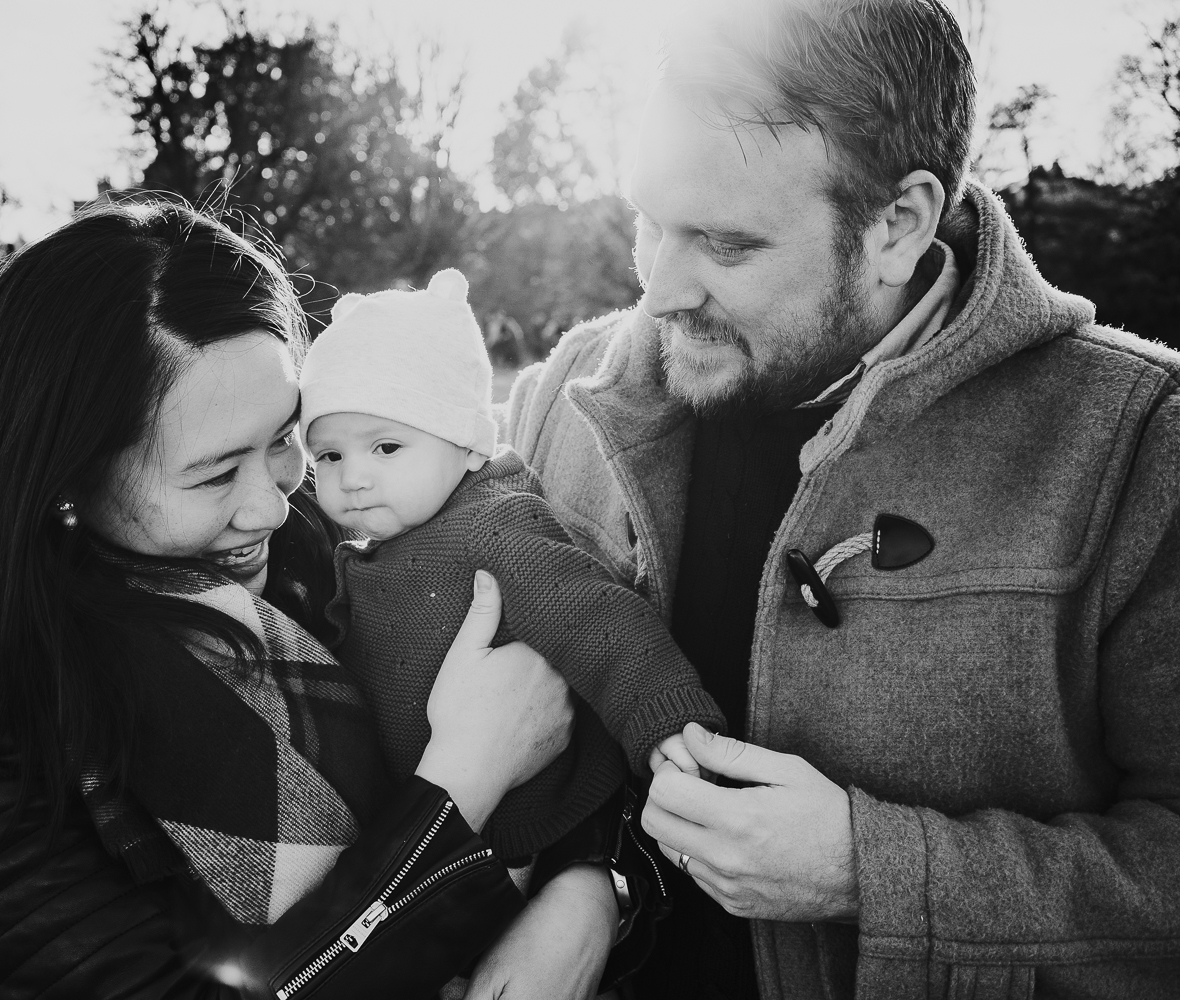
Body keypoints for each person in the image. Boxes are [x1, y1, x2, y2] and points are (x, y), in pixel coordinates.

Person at [503, 0, 1180, 997]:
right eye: (649, 221)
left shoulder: (1137, 445)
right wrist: (581, 877)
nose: (658, 292)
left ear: (897, 224)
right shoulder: (566, 393)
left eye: (724, 243)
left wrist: (874, 871)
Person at [0, 199, 657, 1000]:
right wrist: (465, 776)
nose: (271, 507)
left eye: (284, 442)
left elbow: (590, 751)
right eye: (210, 474)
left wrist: (593, 891)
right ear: (66, 477)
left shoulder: (339, 551)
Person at [298, 266, 724, 873]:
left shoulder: (494, 528)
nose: (353, 477)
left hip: (519, 827)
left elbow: (596, 618)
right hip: (432, 820)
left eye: (386, 447)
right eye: (330, 456)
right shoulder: (376, 545)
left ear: (467, 443)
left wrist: (665, 720)